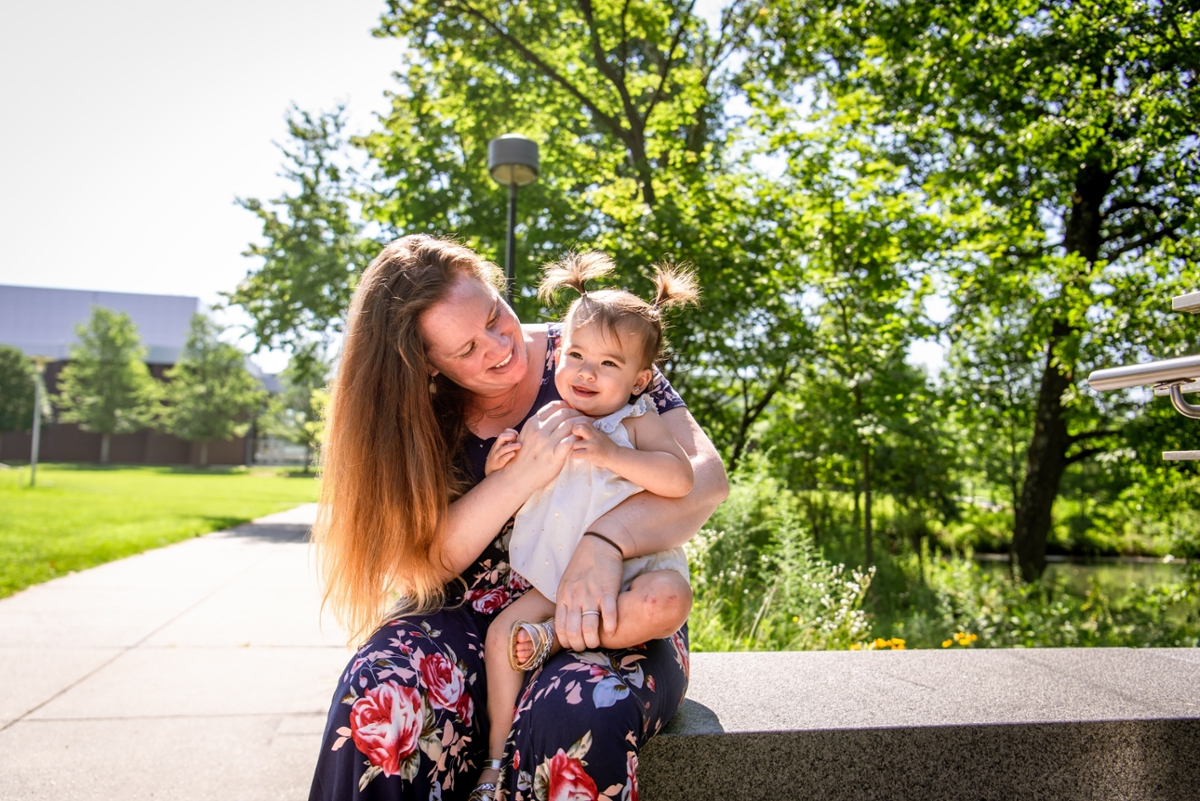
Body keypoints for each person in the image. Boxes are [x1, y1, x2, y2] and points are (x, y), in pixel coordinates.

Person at [307, 234, 728, 801]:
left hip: (611, 606)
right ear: (426, 366)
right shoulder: (412, 412)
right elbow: (422, 565)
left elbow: (704, 482)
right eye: (465, 351)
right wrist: (519, 477)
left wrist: (605, 543)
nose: (498, 348)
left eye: (494, 316)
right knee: (380, 688)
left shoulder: (592, 347)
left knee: (578, 709)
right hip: (459, 613)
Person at [472, 253, 699, 801]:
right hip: (554, 573)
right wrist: (499, 463)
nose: (586, 372)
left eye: (608, 363)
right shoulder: (547, 416)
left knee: (669, 601)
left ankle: (559, 639)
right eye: (574, 354)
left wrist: (610, 453)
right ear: (556, 356)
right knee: (502, 636)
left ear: (641, 379)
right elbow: (520, 479)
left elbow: (679, 478)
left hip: (632, 572)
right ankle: (496, 760)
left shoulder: (636, 421)